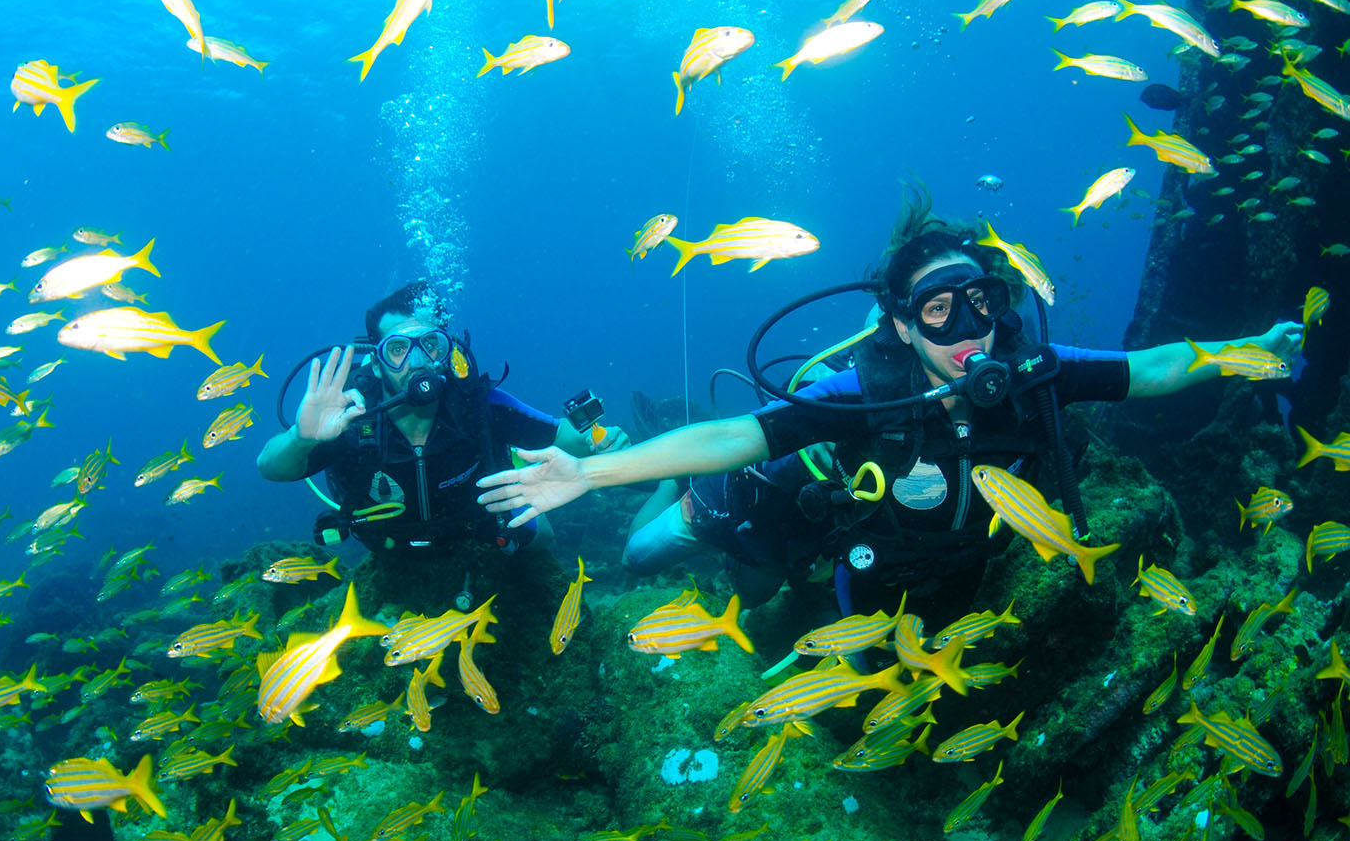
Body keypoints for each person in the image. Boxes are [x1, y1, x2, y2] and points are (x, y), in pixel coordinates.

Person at [476, 190, 1302, 620]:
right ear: (901, 326)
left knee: (761, 597)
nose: (966, 329)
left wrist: (1248, 351)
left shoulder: (1033, 369)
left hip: (918, 558)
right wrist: (591, 471)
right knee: (642, 559)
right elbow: (737, 432)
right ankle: (672, 498)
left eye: (978, 301)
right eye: (938, 312)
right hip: (790, 504)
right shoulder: (858, 392)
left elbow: (1151, 369)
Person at [258, 281, 628, 557]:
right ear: (376, 357)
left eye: (430, 345)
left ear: (447, 350)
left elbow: (558, 435)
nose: (417, 364)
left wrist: (598, 441)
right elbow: (271, 468)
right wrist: (300, 438)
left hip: (478, 529)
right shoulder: (351, 415)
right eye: (399, 349)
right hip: (389, 543)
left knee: (540, 535)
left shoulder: (479, 404)